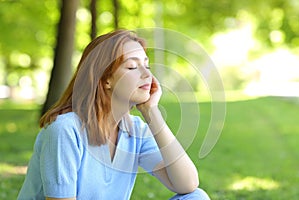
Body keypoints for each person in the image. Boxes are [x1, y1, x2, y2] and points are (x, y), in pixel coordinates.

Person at [18, 29, 210, 200]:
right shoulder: (64, 130)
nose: (147, 75)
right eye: (133, 67)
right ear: (105, 79)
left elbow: (187, 184)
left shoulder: (135, 130)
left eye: (147, 65)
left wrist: (152, 112)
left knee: (196, 197)